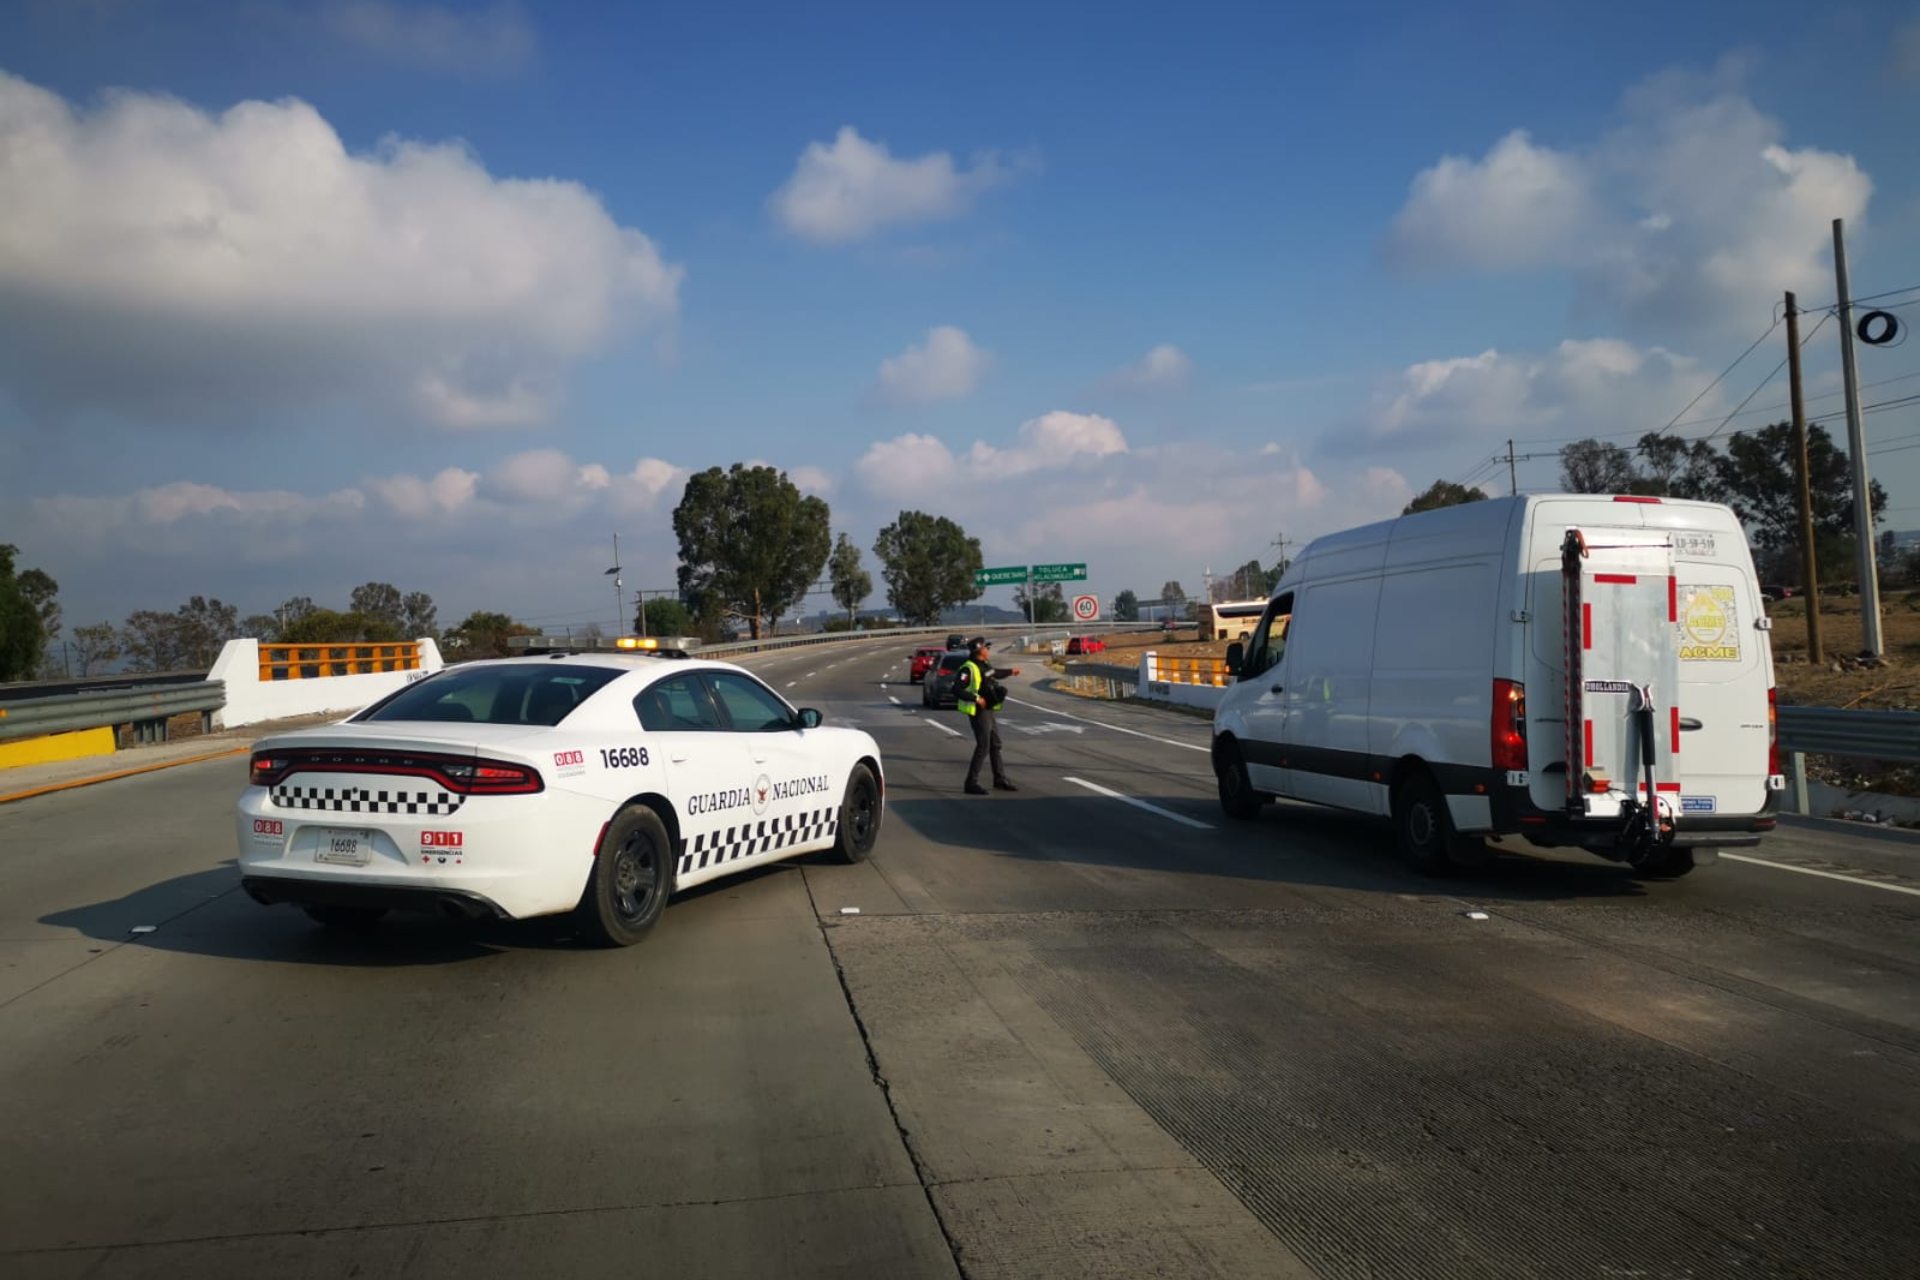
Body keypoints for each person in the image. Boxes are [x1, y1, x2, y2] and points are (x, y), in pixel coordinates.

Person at [956, 636, 1020, 795]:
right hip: (979, 712)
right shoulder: (968, 668)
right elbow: (957, 689)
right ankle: (970, 783)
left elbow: (995, 673)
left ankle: (999, 779)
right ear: (979, 651)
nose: (988, 650)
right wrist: (977, 699)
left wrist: (1010, 671)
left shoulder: (984, 665)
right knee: (983, 745)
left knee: (995, 744)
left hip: (989, 710)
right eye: (986, 648)